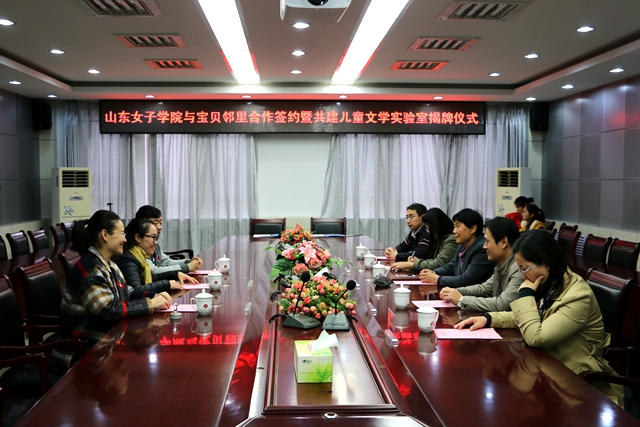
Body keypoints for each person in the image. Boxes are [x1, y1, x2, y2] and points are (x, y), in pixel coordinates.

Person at [454, 230, 624, 406]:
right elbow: (531, 317)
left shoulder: (577, 296)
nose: (523, 276)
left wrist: (525, 294)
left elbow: (536, 337)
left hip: (576, 381)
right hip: (549, 366)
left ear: (546, 263)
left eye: (524, 269)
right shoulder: (552, 283)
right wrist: (489, 319)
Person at [57, 210, 172, 368]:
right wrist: (150, 304)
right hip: (85, 352)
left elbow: (128, 293)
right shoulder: (91, 268)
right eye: (122, 233)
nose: (125, 239)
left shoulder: (109, 264)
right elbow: (109, 311)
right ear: (105, 235)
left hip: (107, 343)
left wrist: (155, 296)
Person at [439, 216, 523, 311]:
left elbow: (503, 304)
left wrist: (461, 300)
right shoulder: (501, 265)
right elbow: (484, 289)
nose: (484, 246)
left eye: (487, 241)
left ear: (504, 242)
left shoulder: (519, 268)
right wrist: (455, 291)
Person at [116, 217, 199, 294]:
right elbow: (136, 290)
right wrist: (167, 284)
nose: (156, 242)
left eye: (156, 238)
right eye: (153, 237)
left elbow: (153, 275)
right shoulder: (128, 260)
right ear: (138, 238)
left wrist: (176, 274)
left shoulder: (140, 255)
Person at [419, 208, 495, 288]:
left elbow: (467, 280)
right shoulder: (462, 246)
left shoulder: (482, 248)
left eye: (458, 226)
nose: (454, 231)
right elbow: (452, 266)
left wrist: (438, 279)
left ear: (473, 229)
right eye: (454, 227)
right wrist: (434, 272)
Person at [135, 205, 203, 274]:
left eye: (160, 223)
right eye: (155, 223)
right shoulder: (138, 246)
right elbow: (153, 271)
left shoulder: (154, 243)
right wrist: (186, 267)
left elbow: (166, 262)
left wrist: (188, 262)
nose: (159, 227)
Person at [390, 207, 456, 272]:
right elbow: (433, 260)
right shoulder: (439, 239)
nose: (429, 233)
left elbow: (437, 264)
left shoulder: (451, 240)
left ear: (438, 226)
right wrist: (417, 261)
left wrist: (411, 264)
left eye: (429, 229)